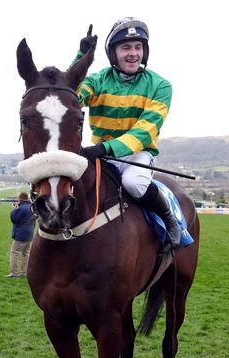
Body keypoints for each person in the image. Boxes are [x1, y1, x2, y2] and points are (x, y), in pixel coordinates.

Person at [74, 18, 183, 251]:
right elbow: (70, 98)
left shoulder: (161, 86)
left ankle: (170, 220)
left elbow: (145, 130)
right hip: (100, 153)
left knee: (133, 183)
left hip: (137, 154)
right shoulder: (96, 80)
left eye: (138, 47)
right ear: (113, 53)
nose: (133, 53)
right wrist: (81, 58)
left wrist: (106, 148)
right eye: (126, 47)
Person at [8, 191, 36, 278]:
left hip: (20, 235)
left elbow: (14, 219)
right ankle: (25, 272)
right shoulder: (32, 207)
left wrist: (14, 210)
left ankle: (14, 273)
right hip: (29, 234)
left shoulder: (21, 208)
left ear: (20, 198)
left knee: (14, 253)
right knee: (26, 254)